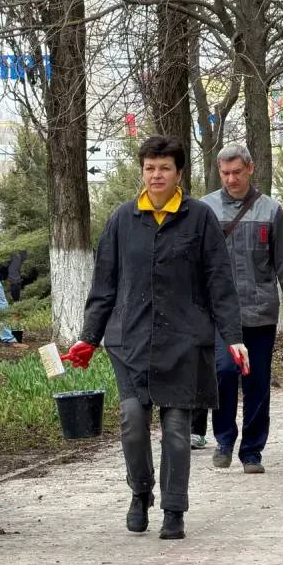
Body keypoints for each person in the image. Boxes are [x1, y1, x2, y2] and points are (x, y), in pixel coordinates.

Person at [69, 135, 243, 540]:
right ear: (142, 171)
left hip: (184, 341)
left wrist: (233, 336)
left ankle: (174, 509)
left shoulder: (199, 218)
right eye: (150, 168)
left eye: (165, 168)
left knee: (177, 429)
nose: (156, 175)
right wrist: (89, 337)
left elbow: (220, 282)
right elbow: (104, 285)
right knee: (132, 421)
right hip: (130, 340)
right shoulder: (122, 219)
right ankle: (140, 491)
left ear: (179, 173)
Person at [202, 143, 283, 474]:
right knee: (223, 373)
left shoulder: (270, 210)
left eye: (237, 172)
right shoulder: (205, 209)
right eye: (225, 173)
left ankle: (252, 451)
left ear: (250, 169)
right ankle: (224, 439)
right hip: (220, 314)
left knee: (257, 383)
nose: (231, 179)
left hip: (260, 311)